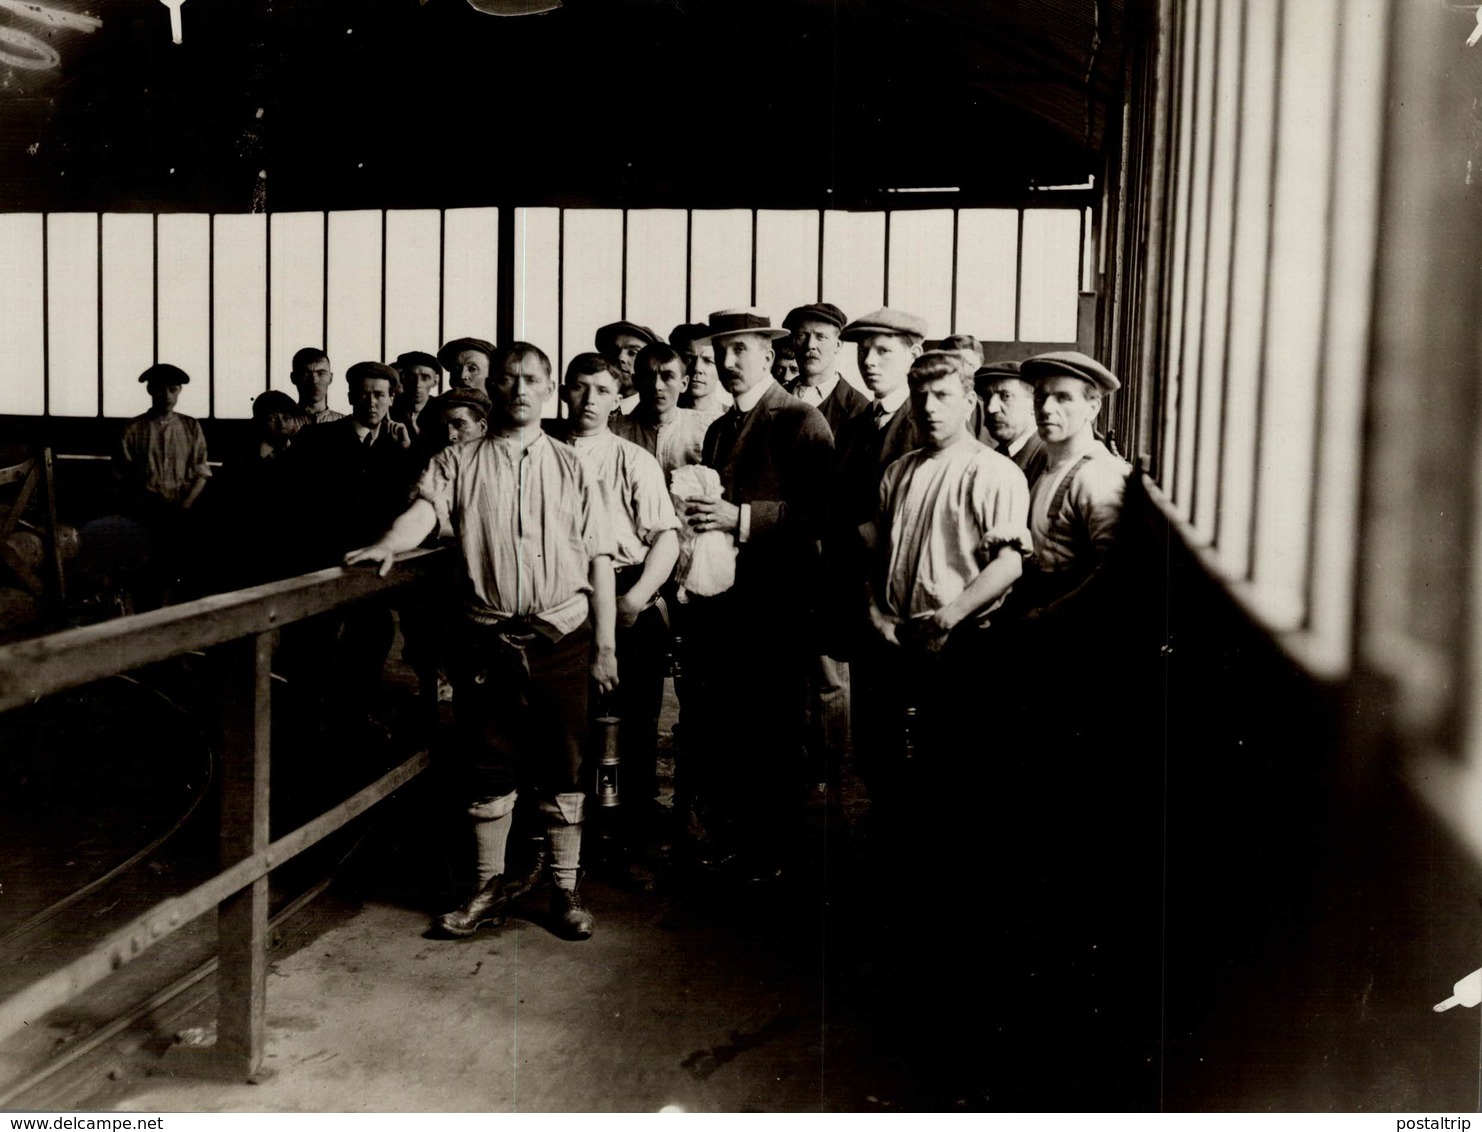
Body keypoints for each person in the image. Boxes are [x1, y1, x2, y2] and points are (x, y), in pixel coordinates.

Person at [346, 341, 618, 942]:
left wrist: (605, 647)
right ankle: (486, 889)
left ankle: (566, 892)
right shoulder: (457, 460)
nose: (520, 389)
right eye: (508, 379)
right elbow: (424, 510)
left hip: (563, 637)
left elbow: (600, 560)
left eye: (532, 379)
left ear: (549, 391)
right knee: (487, 764)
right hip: (487, 640)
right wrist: (391, 542)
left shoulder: (576, 467)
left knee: (565, 767)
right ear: (493, 389)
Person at [680, 309, 833, 880]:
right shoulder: (719, 429)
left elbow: (819, 515)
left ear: (770, 355)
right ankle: (737, 840)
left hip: (777, 606)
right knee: (732, 726)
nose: (728, 361)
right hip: (724, 604)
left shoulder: (801, 420)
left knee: (774, 729)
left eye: (741, 350)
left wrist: (739, 516)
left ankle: (777, 853)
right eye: (722, 352)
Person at [561, 353, 680, 834]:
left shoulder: (633, 458)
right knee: (571, 722)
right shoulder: (544, 453)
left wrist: (635, 601)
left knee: (633, 725)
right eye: (580, 386)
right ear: (564, 390)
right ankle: (569, 839)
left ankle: (629, 837)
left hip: (630, 594)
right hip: (566, 595)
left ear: (617, 399)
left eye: (602, 390)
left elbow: (666, 538)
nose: (589, 399)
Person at [114, 362, 212, 604]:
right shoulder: (134, 428)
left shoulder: (190, 427)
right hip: (146, 512)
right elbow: (121, 476)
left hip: (184, 510)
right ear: (150, 391)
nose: (167, 396)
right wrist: (142, 504)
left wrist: (186, 505)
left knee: (181, 571)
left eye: (173, 389)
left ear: (179, 391)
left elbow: (201, 472)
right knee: (147, 575)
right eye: (161, 390)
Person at [611, 342, 708, 477]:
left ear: (684, 383)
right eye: (648, 376)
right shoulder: (613, 432)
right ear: (636, 381)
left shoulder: (706, 430)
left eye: (667, 376)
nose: (657, 386)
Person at [783, 302, 868, 435]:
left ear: (838, 346)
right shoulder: (777, 397)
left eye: (821, 337)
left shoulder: (859, 408)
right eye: (802, 335)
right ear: (793, 343)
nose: (810, 345)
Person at [977, 360, 1048, 488]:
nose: (991, 408)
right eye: (987, 397)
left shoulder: (1047, 459)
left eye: (1006, 396)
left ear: (1034, 404)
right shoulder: (994, 456)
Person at [595, 320, 660, 415]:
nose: (620, 358)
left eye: (633, 353)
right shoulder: (588, 405)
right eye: (613, 351)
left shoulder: (657, 415)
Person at [672, 322, 730, 426]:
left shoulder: (734, 419)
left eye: (708, 361)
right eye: (688, 359)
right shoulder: (662, 418)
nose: (697, 368)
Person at [392, 350, 443, 441]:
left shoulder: (442, 412)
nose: (417, 384)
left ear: (435, 381)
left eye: (425, 377)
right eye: (411, 377)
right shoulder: (390, 410)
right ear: (402, 379)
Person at [290, 348, 344, 424]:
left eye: (321, 373)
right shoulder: (281, 425)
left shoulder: (347, 425)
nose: (314, 381)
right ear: (293, 378)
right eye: (306, 374)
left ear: (330, 378)